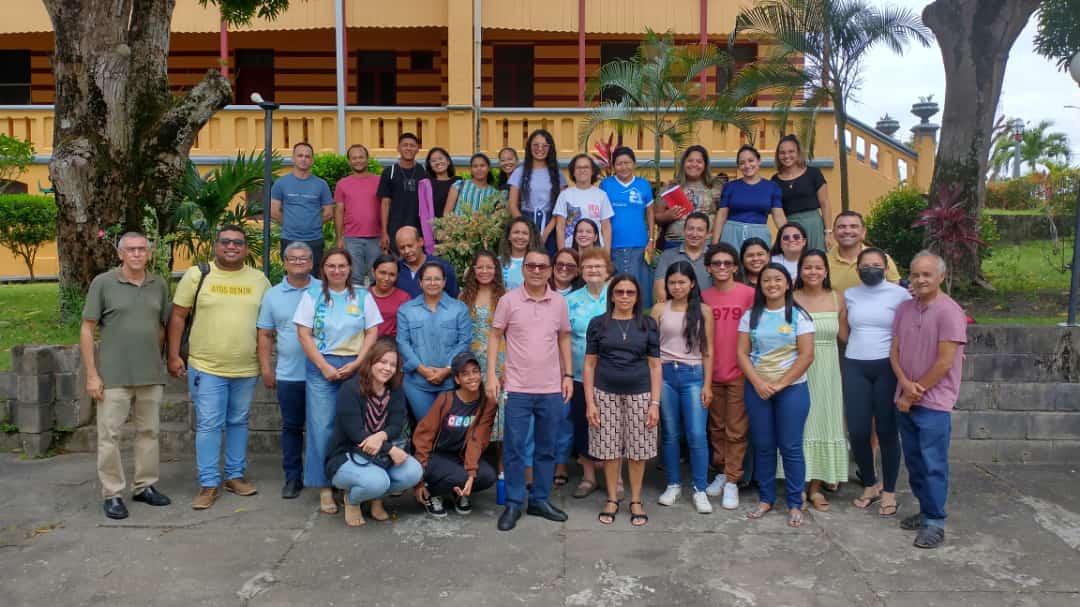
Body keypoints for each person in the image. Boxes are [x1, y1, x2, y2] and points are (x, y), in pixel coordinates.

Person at [167, 225, 271, 510]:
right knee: (210, 424)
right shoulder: (198, 274)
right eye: (226, 241)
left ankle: (235, 476)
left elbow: (268, 323)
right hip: (206, 366)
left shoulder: (259, 279)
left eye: (238, 242)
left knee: (238, 422)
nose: (232, 246)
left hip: (245, 368)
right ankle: (208, 483)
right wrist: (173, 355)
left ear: (246, 249)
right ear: (216, 245)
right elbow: (177, 317)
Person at [81, 232, 172, 520]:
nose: (136, 254)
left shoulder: (158, 285)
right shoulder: (104, 283)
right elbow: (87, 329)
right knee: (110, 436)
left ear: (149, 253)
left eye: (141, 249)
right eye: (130, 249)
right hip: (113, 376)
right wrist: (92, 375)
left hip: (150, 375)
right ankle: (112, 493)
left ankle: (144, 486)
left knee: (149, 433)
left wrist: (158, 359)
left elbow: (162, 327)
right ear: (120, 254)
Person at [487, 249, 574, 531]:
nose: (536, 271)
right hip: (517, 387)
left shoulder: (559, 302)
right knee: (514, 447)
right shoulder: (508, 300)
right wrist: (491, 374)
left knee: (547, 448)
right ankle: (513, 502)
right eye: (531, 266)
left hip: (550, 388)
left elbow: (563, 338)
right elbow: (495, 336)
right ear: (523, 269)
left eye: (541, 266)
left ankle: (539, 499)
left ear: (550, 270)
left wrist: (568, 375)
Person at [294, 248, 382, 514]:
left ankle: (351, 480)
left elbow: (372, 331)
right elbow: (303, 335)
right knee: (322, 426)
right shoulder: (311, 296)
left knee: (356, 426)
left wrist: (357, 363)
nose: (337, 271)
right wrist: (324, 366)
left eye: (342, 266)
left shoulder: (363, 295)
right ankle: (324, 485)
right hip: (322, 366)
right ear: (323, 268)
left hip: (356, 365)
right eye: (331, 266)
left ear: (349, 268)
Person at [891, 251, 967, 549]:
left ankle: (935, 521)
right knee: (914, 461)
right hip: (905, 397)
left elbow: (944, 363)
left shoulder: (950, 311)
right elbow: (894, 352)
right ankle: (925, 511)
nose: (920, 280)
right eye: (916, 274)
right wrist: (903, 385)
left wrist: (913, 391)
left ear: (941, 277)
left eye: (927, 275)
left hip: (933, 403)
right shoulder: (904, 309)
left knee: (933, 462)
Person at [737, 264, 815, 527]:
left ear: (788, 283)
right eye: (766, 280)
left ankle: (795, 502)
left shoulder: (799, 316)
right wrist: (758, 382)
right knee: (764, 446)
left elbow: (806, 355)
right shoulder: (751, 315)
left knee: (791, 447)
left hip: (791, 390)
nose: (772, 284)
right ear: (760, 285)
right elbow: (742, 353)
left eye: (777, 280)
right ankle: (766, 498)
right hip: (757, 388)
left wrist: (781, 384)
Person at [585, 275, 662, 527]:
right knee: (608, 449)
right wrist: (590, 402)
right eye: (620, 292)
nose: (625, 297)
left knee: (638, 451)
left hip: (640, 393)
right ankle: (611, 498)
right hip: (604, 392)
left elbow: (654, 365)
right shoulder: (598, 324)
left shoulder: (648, 325)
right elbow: (589, 364)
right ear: (612, 295)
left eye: (630, 292)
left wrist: (654, 403)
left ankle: (636, 499)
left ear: (638, 296)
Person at [841, 247, 910, 518]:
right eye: (866, 264)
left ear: (885, 267)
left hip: (887, 367)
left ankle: (890, 490)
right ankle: (870, 484)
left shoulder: (900, 294)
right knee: (857, 430)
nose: (871, 268)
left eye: (876, 264)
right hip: (855, 365)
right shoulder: (850, 294)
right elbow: (844, 327)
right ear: (857, 269)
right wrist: (857, 347)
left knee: (887, 430)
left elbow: (908, 328)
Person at [326, 337, 423, 527]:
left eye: (392, 364)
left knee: (413, 472)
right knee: (378, 482)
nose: (387, 368)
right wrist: (390, 449)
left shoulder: (395, 390)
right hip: (348, 455)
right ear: (370, 361)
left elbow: (395, 426)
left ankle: (376, 499)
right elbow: (356, 435)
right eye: (382, 362)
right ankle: (352, 500)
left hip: (378, 455)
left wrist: (381, 436)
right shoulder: (350, 389)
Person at [256, 242, 321, 499]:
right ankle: (293, 477)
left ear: (312, 263)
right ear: (284, 262)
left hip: (322, 374)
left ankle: (325, 478)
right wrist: (266, 368)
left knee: (323, 427)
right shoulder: (272, 295)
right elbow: (265, 334)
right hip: (289, 375)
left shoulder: (323, 290)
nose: (298, 262)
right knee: (292, 428)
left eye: (304, 258)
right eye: (292, 259)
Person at [652, 262, 715, 514]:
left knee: (697, 434)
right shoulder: (658, 309)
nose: (677, 287)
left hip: (694, 374)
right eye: (672, 282)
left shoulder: (704, 311)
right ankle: (673, 483)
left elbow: (708, 351)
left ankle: (700, 488)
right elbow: (651, 350)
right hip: (666, 374)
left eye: (681, 282)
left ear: (692, 284)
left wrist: (708, 384)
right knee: (670, 433)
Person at [792, 249, 848, 511]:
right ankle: (797, 486)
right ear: (799, 271)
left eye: (817, 267)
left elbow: (846, 337)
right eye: (807, 267)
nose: (812, 272)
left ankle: (814, 488)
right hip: (796, 368)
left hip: (827, 370)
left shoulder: (837, 299)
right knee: (800, 425)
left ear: (825, 271)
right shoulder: (789, 298)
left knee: (824, 424)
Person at [411, 351, 499, 517]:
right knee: (459, 475)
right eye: (465, 374)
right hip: (435, 457)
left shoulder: (486, 402)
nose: (472, 377)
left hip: (460, 456)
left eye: (475, 371)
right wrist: (418, 482)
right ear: (457, 379)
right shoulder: (446, 399)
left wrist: (472, 474)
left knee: (487, 475)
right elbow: (424, 436)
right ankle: (432, 492)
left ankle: (458, 492)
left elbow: (477, 439)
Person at [701, 243, 754, 509]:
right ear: (708, 268)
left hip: (739, 371)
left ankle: (733, 479)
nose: (722, 267)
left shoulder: (749, 294)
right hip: (712, 372)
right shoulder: (703, 297)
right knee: (716, 427)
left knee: (736, 429)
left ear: (735, 267)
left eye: (727, 263)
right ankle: (721, 471)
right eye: (716, 263)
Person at [396, 261, 472, 421]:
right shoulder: (406, 310)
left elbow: (464, 342)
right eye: (428, 279)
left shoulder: (459, 309)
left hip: (451, 381)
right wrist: (422, 370)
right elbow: (402, 342)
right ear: (420, 282)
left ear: (444, 282)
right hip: (417, 383)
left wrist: (448, 369)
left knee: (450, 428)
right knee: (426, 428)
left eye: (437, 279)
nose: (432, 283)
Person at [564, 248, 612, 499]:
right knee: (583, 424)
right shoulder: (570, 300)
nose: (593, 271)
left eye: (598, 267)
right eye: (588, 267)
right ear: (581, 271)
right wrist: (567, 374)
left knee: (614, 426)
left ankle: (615, 479)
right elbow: (563, 338)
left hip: (614, 374)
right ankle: (589, 476)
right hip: (580, 375)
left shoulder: (618, 295)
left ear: (607, 270)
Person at [459, 250, 507, 441]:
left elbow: (513, 334)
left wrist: (509, 366)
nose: (484, 271)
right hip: (473, 361)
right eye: (480, 267)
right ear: (473, 270)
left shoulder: (505, 296)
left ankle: (502, 468)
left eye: (489, 267)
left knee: (499, 409)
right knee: (475, 408)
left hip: (500, 361)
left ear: (496, 270)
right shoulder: (464, 297)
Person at [600, 147, 656, 305]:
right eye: (619, 163)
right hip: (613, 245)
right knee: (616, 290)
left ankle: (642, 322)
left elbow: (650, 213)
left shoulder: (643, 185)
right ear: (613, 166)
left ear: (634, 164)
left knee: (640, 289)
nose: (623, 167)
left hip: (639, 245)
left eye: (627, 163)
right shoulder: (606, 185)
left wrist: (651, 239)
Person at [271, 142, 334, 274]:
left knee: (314, 277)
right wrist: (291, 224)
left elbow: (328, 212)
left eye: (307, 156)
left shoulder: (321, 184)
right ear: (293, 158)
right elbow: (274, 211)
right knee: (292, 275)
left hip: (314, 239)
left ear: (312, 160)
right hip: (289, 238)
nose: (303, 159)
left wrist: (313, 224)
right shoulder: (281, 183)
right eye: (300, 155)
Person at [713, 145, 785, 250]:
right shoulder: (730, 187)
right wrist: (715, 244)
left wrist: (789, 234)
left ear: (759, 161)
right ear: (738, 166)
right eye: (742, 163)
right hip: (731, 235)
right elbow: (722, 215)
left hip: (759, 235)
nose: (747, 165)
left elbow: (778, 216)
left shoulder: (772, 187)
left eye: (751, 160)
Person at [508, 129, 566, 252]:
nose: (540, 149)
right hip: (525, 221)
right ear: (529, 147)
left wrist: (546, 232)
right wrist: (527, 228)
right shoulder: (519, 172)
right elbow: (512, 205)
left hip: (552, 223)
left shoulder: (557, 174)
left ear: (550, 148)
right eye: (536, 145)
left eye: (545, 145)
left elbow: (561, 207)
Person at [772, 135, 832, 252]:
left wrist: (828, 232)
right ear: (778, 155)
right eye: (782, 152)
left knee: (816, 260)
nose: (786, 156)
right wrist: (785, 231)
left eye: (791, 151)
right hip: (791, 227)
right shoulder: (774, 181)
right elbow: (777, 212)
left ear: (798, 153)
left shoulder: (813, 173)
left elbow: (825, 203)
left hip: (814, 225)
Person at [334, 143, 382, 286]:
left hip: (376, 237)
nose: (358, 161)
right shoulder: (342, 184)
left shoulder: (379, 181)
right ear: (349, 161)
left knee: (378, 278)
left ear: (367, 159)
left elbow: (387, 208)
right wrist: (339, 238)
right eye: (354, 158)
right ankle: (355, 308)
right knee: (354, 279)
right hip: (352, 238)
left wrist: (386, 234)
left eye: (361, 157)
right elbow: (339, 211)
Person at [656, 145, 721, 250]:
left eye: (699, 161)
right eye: (690, 161)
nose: (694, 164)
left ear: (705, 165)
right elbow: (656, 217)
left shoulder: (715, 187)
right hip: (675, 243)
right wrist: (667, 216)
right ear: (683, 164)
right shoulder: (670, 188)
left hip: (706, 243)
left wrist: (715, 238)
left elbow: (723, 215)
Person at [827, 210, 901, 293]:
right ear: (833, 232)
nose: (847, 231)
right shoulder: (823, 261)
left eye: (853, 226)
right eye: (841, 227)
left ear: (863, 232)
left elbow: (895, 291)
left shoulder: (881, 259)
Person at [379, 132, 428, 254]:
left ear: (417, 149)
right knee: (396, 265)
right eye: (405, 145)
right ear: (398, 148)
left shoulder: (423, 172)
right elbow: (385, 203)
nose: (408, 148)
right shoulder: (389, 172)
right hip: (394, 227)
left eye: (412, 145)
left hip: (418, 227)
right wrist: (384, 232)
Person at [553, 154, 614, 249]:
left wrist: (606, 254)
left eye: (586, 167)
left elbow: (606, 228)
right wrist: (562, 253)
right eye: (578, 167)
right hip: (571, 249)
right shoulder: (565, 195)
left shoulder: (601, 195)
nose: (582, 170)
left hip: (595, 249)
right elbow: (560, 227)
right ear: (573, 172)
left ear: (592, 171)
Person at [653, 211, 712, 304]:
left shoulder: (714, 257)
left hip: (708, 309)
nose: (694, 234)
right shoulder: (667, 256)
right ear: (684, 231)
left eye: (700, 230)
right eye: (690, 229)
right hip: (675, 310)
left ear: (708, 234)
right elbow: (660, 290)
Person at [394, 226, 459, 298]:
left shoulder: (442, 266)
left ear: (421, 242)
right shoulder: (395, 269)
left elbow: (453, 298)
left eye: (410, 246)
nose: (407, 251)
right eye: (402, 248)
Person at [368, 254, 410, 337]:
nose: (386, 278)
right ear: (373, 272)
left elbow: (407, 329)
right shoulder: (363, 296)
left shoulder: (404, 298)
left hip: (392, 345)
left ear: (397, 276)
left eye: (392, 274)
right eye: (382, 273)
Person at [498, 216, 542, 292]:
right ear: (509, 236)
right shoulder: (498, 262)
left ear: (530, 237)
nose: (520, 237)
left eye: (525, 233)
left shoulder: (538, 263)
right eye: (516, 232)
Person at [424, 147, 460, 220]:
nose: (438, 162)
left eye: (440, 158)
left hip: (456, 226)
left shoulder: (459, 182)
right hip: (433, 227)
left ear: (448, 161)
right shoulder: (427, 183)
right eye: (433, 161)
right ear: (430, 166)